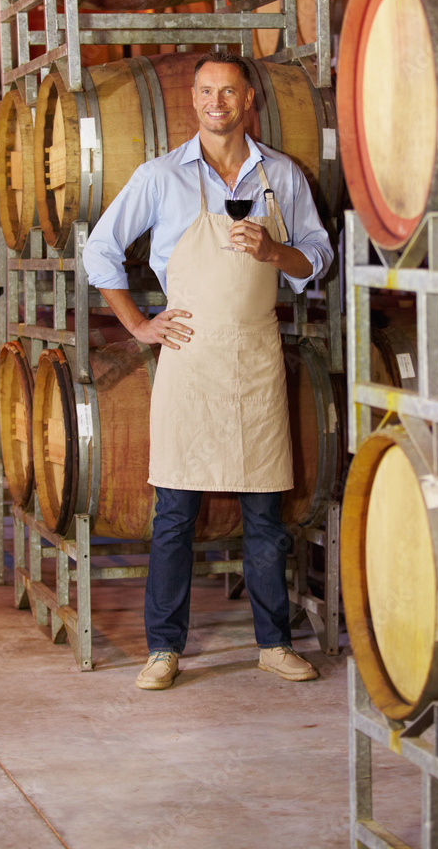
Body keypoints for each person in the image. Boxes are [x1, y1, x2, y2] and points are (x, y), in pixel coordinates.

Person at [83, 52, 334, 690]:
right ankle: (163, 651)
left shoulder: (282, 175)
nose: (215, 102)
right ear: (191, 100)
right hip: (190, 357)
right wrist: (139, 324)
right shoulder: (161, 175)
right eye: (204, 91)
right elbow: (101, 251)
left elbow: (319, 257)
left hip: (255, 355)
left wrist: (276, 251)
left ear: (249, 100)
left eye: (228, 92)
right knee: (173, 513)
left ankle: (273, 644)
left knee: (264, 515)